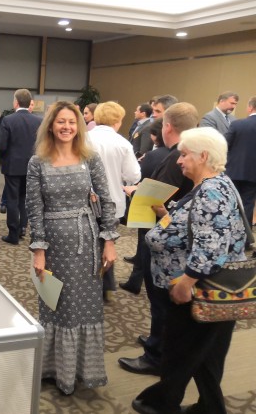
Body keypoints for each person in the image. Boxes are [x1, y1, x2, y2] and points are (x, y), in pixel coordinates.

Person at [132, 127, 246, 414]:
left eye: (184, 155)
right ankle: (209, 407)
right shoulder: (216, 184)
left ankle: (162, 404)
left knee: (180, 352)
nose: (179, 160)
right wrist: (167, 215)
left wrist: (185, 283)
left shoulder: (211, 192)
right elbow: (199, 227)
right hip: (213, 289)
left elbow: (210, 248)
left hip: (198, 290)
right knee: (205, 355)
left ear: (203, 156)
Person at [27, 100, 119, 395]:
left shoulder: (90, 158)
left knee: (85, 306)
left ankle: (81, 370)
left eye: (71, 122)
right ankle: (53, 369)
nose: (66, 127)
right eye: (60, 122)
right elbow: (34, 208)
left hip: (87, 243)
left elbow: (106, 200)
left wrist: (109, 241)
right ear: (51, 126)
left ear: (78, 126)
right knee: (56, 303)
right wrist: (38, 250)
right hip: (54, 245)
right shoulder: (37, 162)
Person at [118, 102, 197, 377]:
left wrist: (135, 193)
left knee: (161, 299)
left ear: (167, 126)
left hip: (165, 240)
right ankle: (157, 341)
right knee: (161, 302)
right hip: (172, 235)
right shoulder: (182, 154)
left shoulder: (177, 157)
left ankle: (156, 355)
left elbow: (159, 198)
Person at [88, 101, 140, 300]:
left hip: (86, 200)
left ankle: (91, 284)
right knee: (107, 243)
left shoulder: (84, 139)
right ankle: (106, 285)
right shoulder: (123, 143)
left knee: (86, 244)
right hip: (113, 202)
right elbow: (133, 175)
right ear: (118, 121)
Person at [120, 118, 169, 295]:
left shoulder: (153, 156)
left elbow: (141, 177)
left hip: (149, 206)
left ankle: (135, 281)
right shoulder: (176, 154)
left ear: (154, 136)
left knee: (144, 244)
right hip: (169, 210)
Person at [0, 89, 42, 245]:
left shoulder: (8, 120)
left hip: (12, 166)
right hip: (32, 166)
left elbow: (2, 145)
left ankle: (13, 233)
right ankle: (23, 227)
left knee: (12, 199)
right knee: (24, 198)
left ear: (16, 102)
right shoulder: (39, 121)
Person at [225, 95, 256, 226]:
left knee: (230, 202)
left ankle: (228, 231)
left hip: (233, 170)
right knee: (248, 204)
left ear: (250, 107)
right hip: (253, 174)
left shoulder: (237, 124)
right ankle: (244, 234)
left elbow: (225, 145)